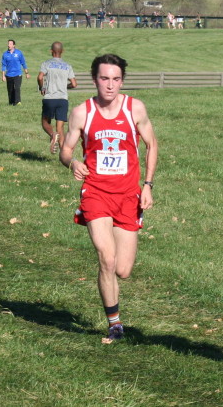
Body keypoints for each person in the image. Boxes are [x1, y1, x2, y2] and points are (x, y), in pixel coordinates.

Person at [59, 54, 158, 342]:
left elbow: (152, 145)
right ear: (94, 80)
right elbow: (65, 150)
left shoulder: (135, 109)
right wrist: (73, 163)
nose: (110, 85)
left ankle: (112, 295)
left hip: (128, 195)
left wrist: (148, 185)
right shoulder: (82, 112)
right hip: (96, 193)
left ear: (122, 81)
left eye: (115, 79)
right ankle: (114, 323)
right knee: (106, 256)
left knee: (123, 269)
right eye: (104, 78)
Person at [37, 41, 77, 154]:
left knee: (45, 122)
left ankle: (52, 134)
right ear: (62, 51)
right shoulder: (67, 66)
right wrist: (65, 87)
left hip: (50, 98)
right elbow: (74, 84)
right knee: (60, 129)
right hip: (63, 99)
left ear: (51, 51)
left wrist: (42, 88)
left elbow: (40, 77)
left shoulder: (46, 64)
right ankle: (64, 155)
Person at [1, 39, 30, 106]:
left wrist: (27, 73)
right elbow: (3, 65)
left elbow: (23, 63)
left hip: (18, 74)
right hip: (9, 74)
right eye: (8, 44)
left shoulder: (19, 53)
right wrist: (3, 76)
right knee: (10, 89)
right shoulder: (5, 54)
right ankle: (11, 102)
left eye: (10, 44)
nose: (9, 45)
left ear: (14, 45)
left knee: (17, 88)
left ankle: (18, 102)